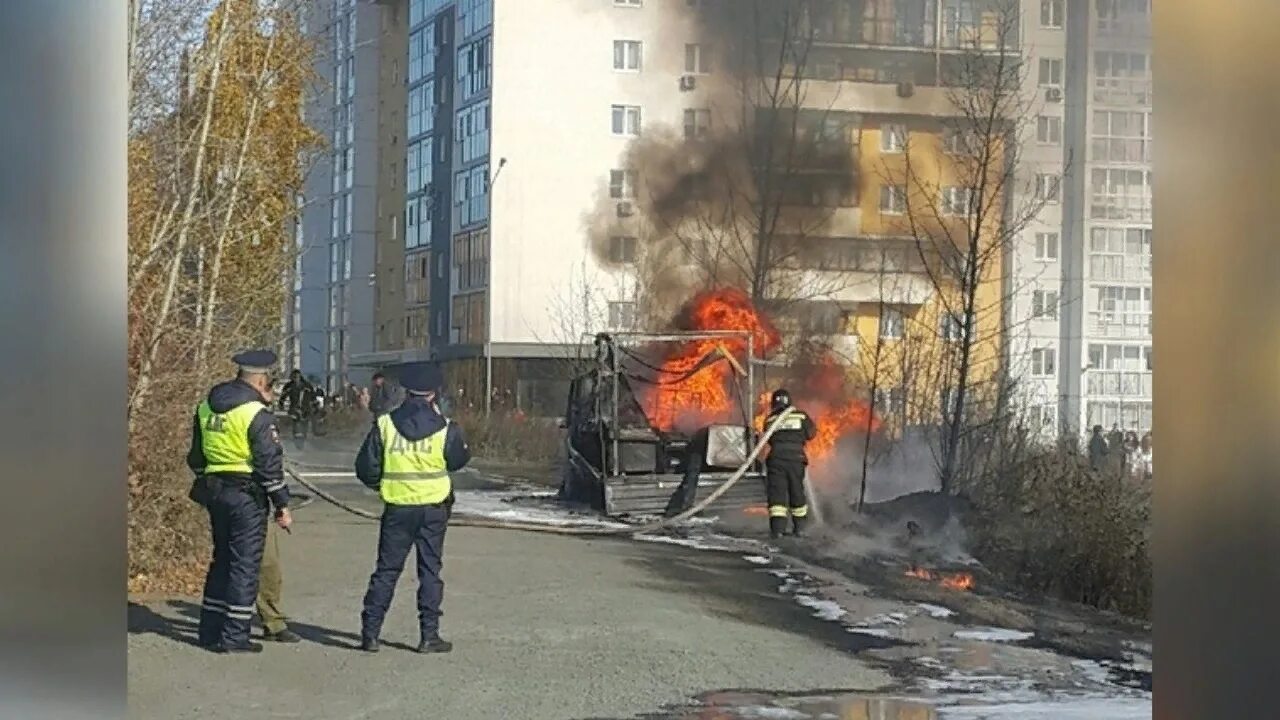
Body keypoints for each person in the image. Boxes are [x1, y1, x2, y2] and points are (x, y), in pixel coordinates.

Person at [355, 362, 471, 653]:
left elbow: (365, 468)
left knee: (386, 571)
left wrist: (381, 486)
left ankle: (370, 634)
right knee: (430, 571)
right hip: (433, 508)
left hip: (397, 508)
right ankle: (428, 636)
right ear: (433, 394)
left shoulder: (384, 424)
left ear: (406, 391)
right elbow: (458, 460)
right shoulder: (446, 428)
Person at [186, 349, 293, 653]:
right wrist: (282, 504)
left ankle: (209, 631)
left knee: (221, 561)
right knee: (245, 566)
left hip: (215, 490)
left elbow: (195, 456)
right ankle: (235, 635)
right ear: (261, 380)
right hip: (246, 495)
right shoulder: (254, 413)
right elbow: (268, 464)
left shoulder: (206, 407)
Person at [762, 389, 817, 539]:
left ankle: (777, 530)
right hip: (796, 459)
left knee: (777, 495)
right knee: (796, 491)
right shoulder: (801, 416)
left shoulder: (770, 420)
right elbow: (811, 433)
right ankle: (799, 528)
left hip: (776, 460)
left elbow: (768, 438)